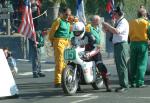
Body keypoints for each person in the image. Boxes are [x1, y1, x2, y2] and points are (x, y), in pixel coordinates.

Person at [71, 22, 112, 92]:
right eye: (75, 32)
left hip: (94, 53)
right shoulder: (73, 39)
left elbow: (96, 47)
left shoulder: (89, 35)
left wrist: (90, 54)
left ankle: (107, 86)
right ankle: (77, 85)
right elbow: (73, 48)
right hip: (82, 55)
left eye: (79, 32)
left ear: (83, 30)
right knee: (76, 65)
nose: (77, 34)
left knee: (100, 65)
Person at [102, 6, 129, 92]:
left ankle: (124, 85)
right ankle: (122, 85)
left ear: (119, 13)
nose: (113, 14)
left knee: (122, 66)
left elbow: (117, 31)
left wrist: (108, 25)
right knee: (119, 65)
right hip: (118, 45)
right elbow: (114, 32)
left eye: (115, 13)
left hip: (121, 45)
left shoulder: (123, 22)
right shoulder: (119, 21)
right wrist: (107, 28)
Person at [48, 7, 72, 88]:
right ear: (62, 13)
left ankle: (65, 78)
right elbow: (52, 32)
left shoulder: (68, 23)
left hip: (66, 42)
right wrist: (52, 41)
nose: (67, 16)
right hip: (59, 41)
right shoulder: (58, 21)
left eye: (69, 15)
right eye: (66, 14)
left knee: (66, 62)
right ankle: (58, 81)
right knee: (60, 61)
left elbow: (70, 33)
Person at [128, 8, 150, 88]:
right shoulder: (146, 22)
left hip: (133, 44)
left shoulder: (131, 22)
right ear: (144, 15)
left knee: (133, 63)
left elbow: (128, 34)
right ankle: (139, 82)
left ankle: (132, 81)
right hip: (142, 44)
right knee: (141, 64)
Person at [29, 0, 45, 78]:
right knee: (35, 53)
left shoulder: (38, 6)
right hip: (32, 32)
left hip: (38, 31)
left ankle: (39, 70)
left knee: (39, 53)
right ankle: (35, 71)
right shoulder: (28, 8)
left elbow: (41, 18)